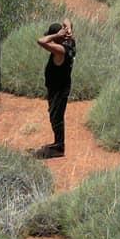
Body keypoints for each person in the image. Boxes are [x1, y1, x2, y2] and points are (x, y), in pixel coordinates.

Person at [37, 19, 76, 157]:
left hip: (58, 89)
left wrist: (54, 36)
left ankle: (59, 147)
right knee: (55, 115)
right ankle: (57, 143)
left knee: (56, 117)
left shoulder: (60, 50)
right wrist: (68, 28)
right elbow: (66, 19)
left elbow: (41, 41)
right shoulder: (70, 42)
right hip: (62, 85)